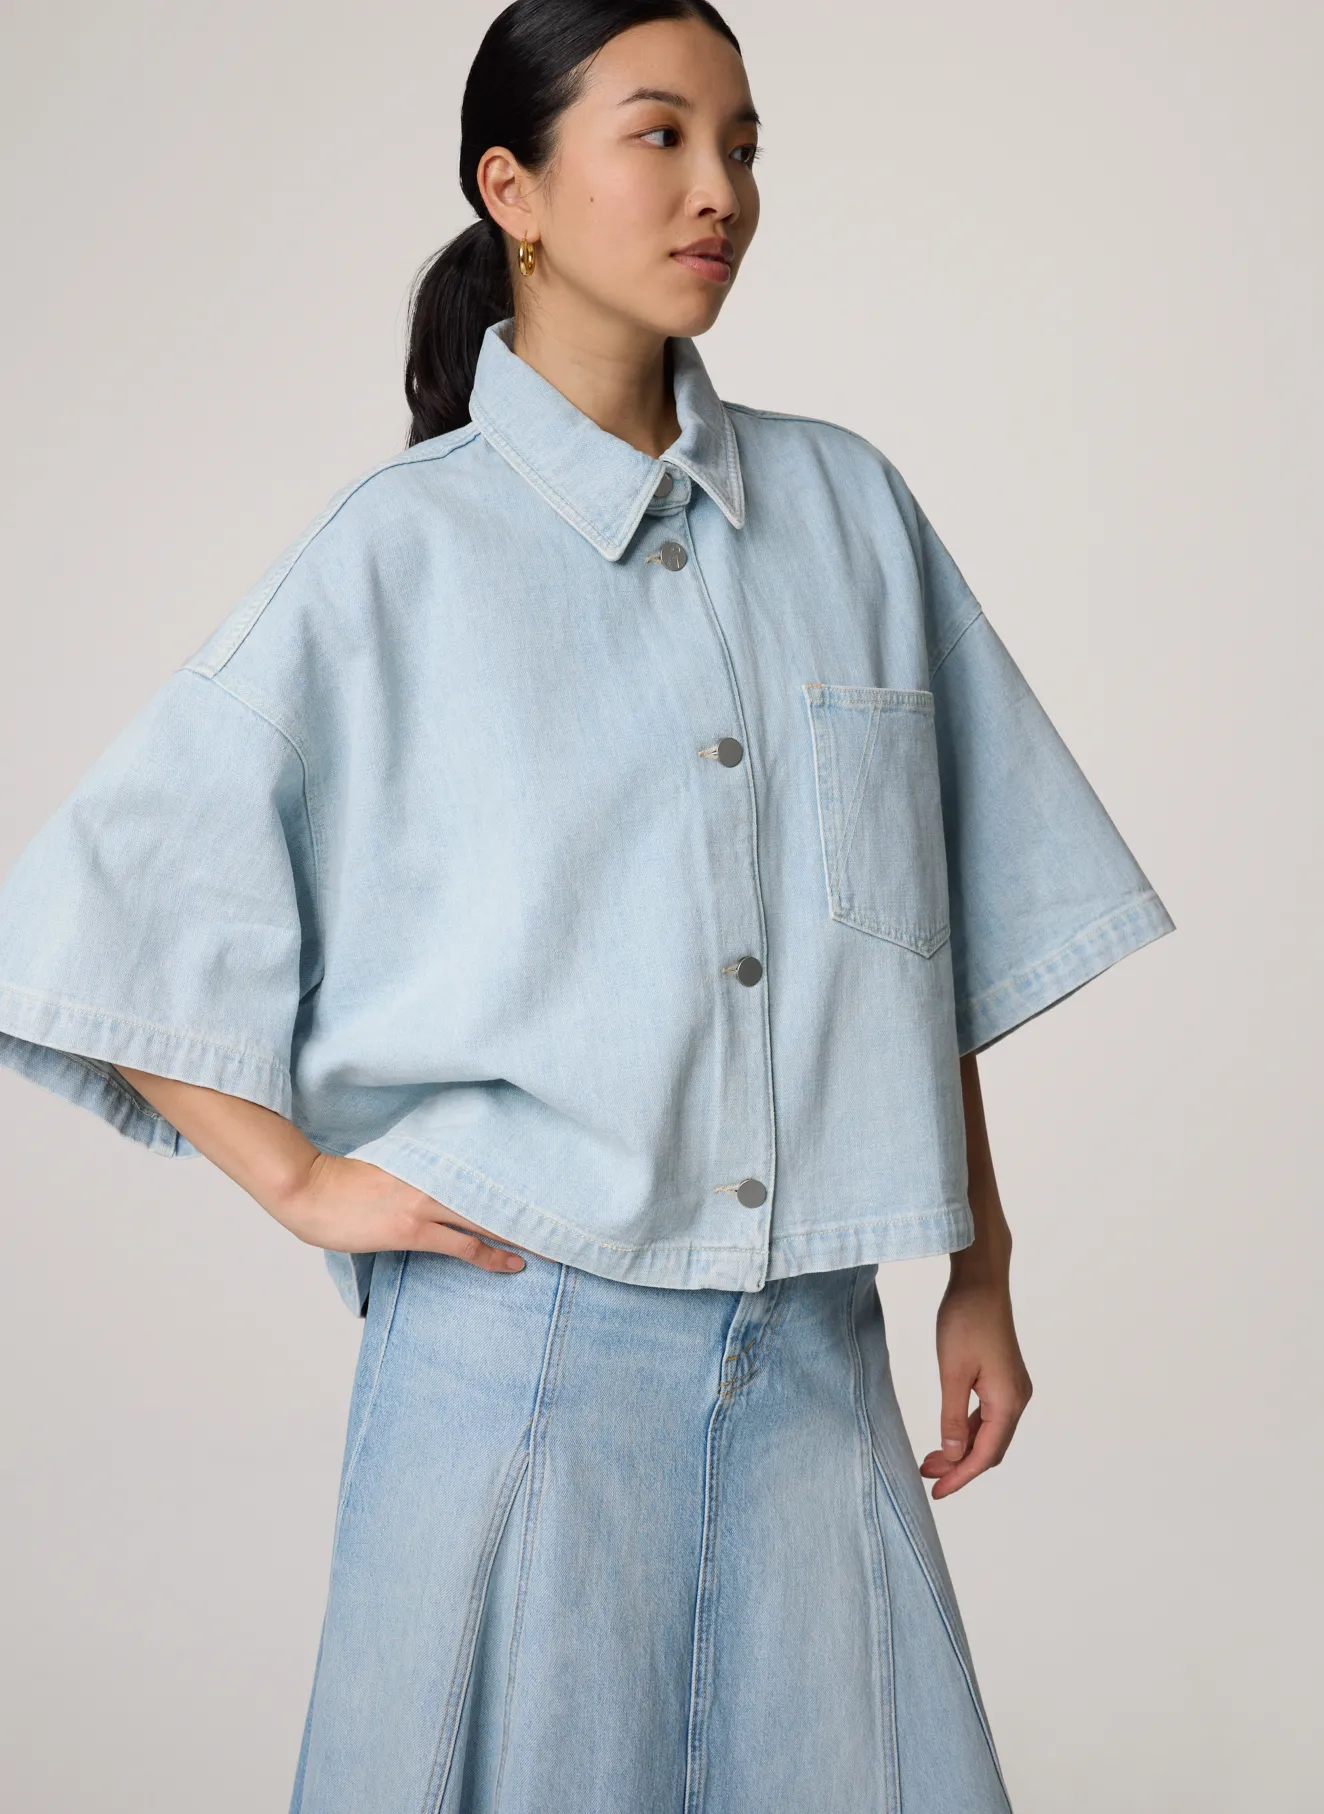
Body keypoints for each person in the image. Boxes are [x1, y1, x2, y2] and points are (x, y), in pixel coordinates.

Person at [0, 2, 1175, 1809]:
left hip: (816, 1362)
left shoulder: (852, 512)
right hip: (519, 1370)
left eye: (744, 145)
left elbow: (912, 936)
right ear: (514, 189)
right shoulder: (398, 553)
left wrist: (982, 1265)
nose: (722, 191)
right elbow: (98, 909)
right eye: (662, 135)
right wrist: (302, 1181)